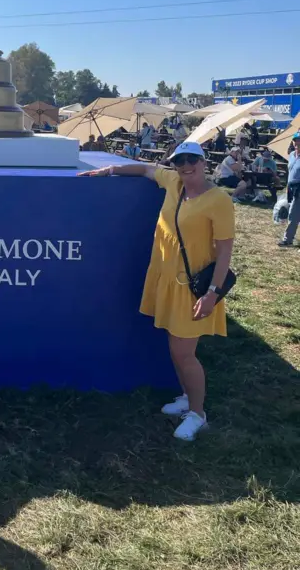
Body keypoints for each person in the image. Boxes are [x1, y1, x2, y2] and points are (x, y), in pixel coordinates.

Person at [79, 141, 235, 441]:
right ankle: (189, 398)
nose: (185, 166)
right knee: (174, 348)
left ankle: (199, 414)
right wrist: (110, 170)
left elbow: (225, 251)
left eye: (192, 160)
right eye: (179, 161)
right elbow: (147, 169)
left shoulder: (218, 200)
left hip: (193, 289)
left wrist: (212, 293)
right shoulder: (174, 182)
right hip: (167, 280)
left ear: (204, 163)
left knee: (184, 353)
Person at [279, 132, 300, 247]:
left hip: (299, 188)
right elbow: (290, 172)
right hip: (291, 187)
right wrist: (287, 187)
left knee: (293, 214)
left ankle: (287, 239)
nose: (297, 143)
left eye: (299, 141)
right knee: (295, 213)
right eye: (295, 140)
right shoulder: (292, 155)